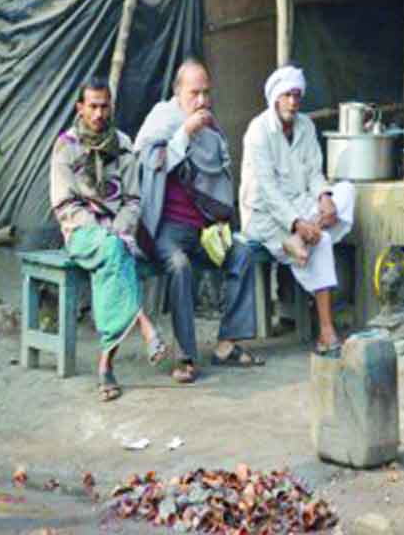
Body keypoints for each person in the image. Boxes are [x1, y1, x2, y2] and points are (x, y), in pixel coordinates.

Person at [134, 59, 263, 384]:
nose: (202, 101)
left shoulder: (212, 131)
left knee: (243, 253)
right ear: (178, 92)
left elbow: (218, 177)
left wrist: (219, 222)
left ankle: (226, 343)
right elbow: (148, 161)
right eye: (195, 93)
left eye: (207, 93)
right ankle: (186, 356)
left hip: (203, 231)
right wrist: (184, 134)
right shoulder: (162, 119)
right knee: (179, 266)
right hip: (166, 231)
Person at [49, 77, 168, 402]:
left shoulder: (124, 145)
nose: (100, 113)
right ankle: (143, 324)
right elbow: (64, 205)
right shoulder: (66, 147)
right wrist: (103, 230)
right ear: (80, 108)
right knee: (114, 250)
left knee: (115, 255)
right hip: (81, 234)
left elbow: (132, 200)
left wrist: (118, 228)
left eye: (105, 106)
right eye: (93, 106)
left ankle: (106, 366)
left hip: (118, 234)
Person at [239, 65, 355, 355]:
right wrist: (295, 223)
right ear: (275, 98)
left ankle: (301, 240)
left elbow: (314, 172)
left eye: (296, 95)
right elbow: (267, 190)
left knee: (347, 191)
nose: (293, 102)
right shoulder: (258, 131)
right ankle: (326, 331)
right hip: (264, 214)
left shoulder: (305, 126)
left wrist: (324, 196)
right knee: (324, 241)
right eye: (287, 95)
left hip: (302, 205)